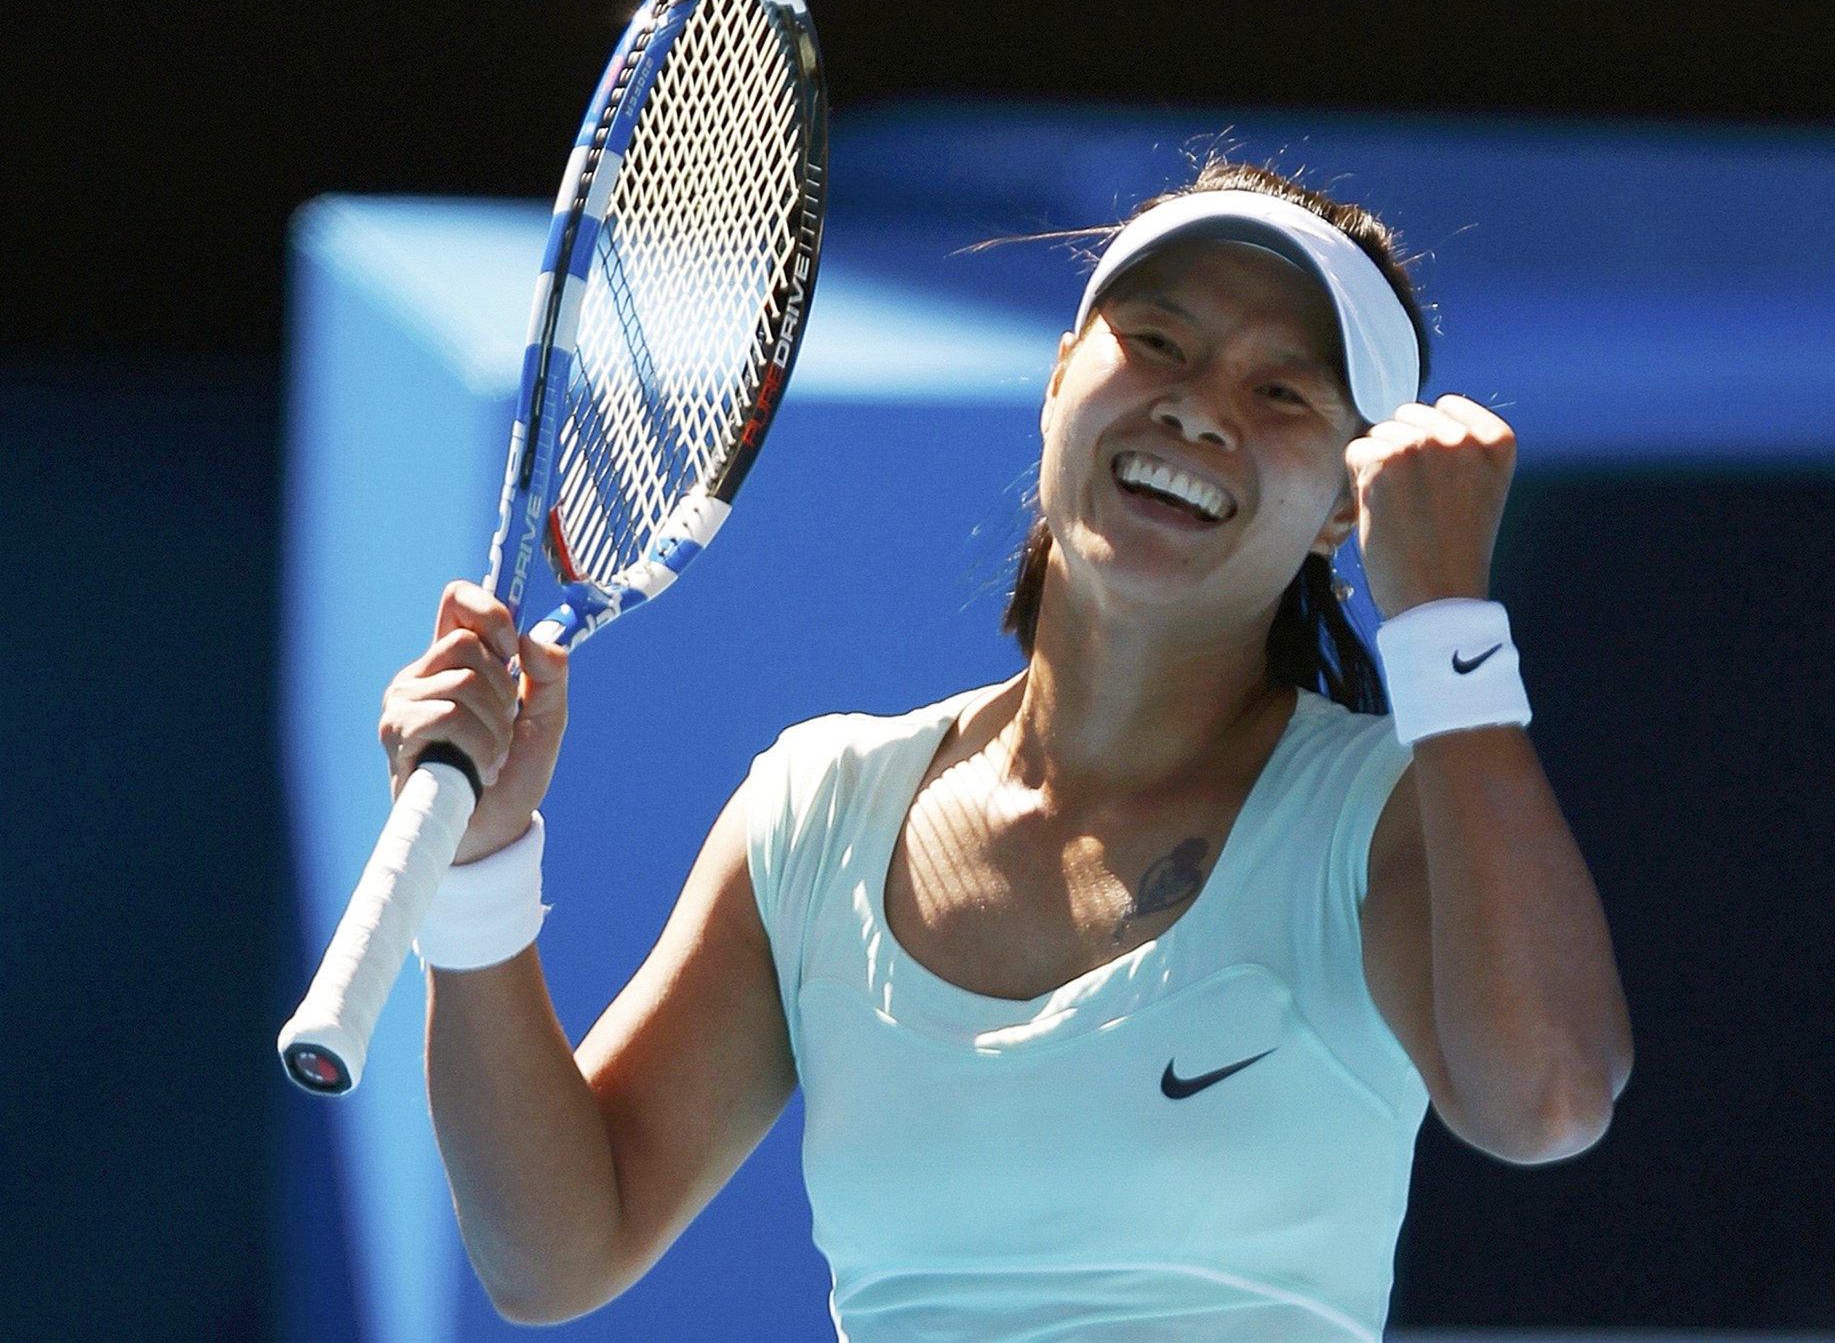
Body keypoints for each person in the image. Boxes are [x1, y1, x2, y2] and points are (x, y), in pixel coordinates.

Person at [385, 159, 1633, 1340]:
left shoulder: (1386, 815)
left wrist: (1445, 624)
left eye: (1281, 392)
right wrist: (477, 864)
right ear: (1059, 378)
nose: (1198, 405)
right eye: (1159, 342)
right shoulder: (817, 807)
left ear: (1347, 507)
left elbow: (1548, 1101)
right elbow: (553, 1256)